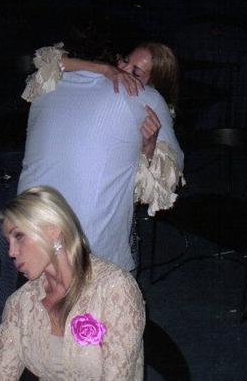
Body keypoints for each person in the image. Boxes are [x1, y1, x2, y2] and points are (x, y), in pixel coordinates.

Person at [0, 186, 146, 380]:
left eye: (19, 236)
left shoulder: (114, 289)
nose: (11, 252)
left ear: (53, 231)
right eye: (8, 242)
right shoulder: (21, 303)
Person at [17, 42, 184, 271]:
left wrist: (149, 147)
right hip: (86, 249)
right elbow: (164, 186)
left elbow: (46, 63)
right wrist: (105, 69)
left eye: (136, 72)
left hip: (26, 226)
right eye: (125, 61)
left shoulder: (65, 79)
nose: (123, 71)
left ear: (154, 84)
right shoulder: (144, 96)